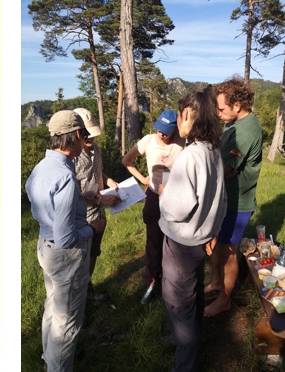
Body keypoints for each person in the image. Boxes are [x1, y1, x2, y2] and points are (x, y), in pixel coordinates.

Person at [26, 110, 107, 372]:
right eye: (83, 134)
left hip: (44, 246)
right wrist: (93, 228)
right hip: (65, 256)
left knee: (52, 306)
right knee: (67, 324)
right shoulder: (64, 177)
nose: (85, 139)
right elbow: (66, 237)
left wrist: (77, 200)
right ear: (74, 136)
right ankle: (58, 366)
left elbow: (43, 206)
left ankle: (49, 359)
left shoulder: (41, 168)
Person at [159, 88, 227, 372]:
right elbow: (221, 199)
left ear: (187, 115)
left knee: (178, 301)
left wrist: (163, 193)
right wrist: (213, 231)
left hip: (181, 243)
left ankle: (185, 359)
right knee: (194, 296)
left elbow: (176, 209)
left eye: (178, 115)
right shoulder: (213, 151)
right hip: (201, 241)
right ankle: (188, 337)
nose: (177, 122)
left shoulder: (189, 156)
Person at [204, 76, 264, 317]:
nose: (218, 114)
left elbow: (227, 169)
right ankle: (217, 282)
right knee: (217, 243)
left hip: (237, 202)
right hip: (224, 198)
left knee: (229, 251)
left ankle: (225, 299)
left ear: (237, 105)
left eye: (221, 109)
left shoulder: (247, 130)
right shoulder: (233, 122)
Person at [122, 109, 186, 304]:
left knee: (175, 240)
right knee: (153, 240)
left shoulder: (182, 142)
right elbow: (127, 160)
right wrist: (143, 178)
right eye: (159, 129)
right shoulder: (148, 141)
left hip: (176, 196)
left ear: (175, 129)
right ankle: (152, 281)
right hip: (154, 196)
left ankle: (173, 280)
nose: (161, 134)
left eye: (166, 131)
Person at [72, 108, 121, 302]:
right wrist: (102, 199)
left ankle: (87, 287)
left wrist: (109, 181)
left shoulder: (95, 149)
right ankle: (76, 299)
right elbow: (74, 193)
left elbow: (97, 173)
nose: (91, 138)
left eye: (93, 133)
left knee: (94, 252)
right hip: (81, 216)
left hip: (98, 213)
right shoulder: (72, 157)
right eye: (87, 134)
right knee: (79, 257)